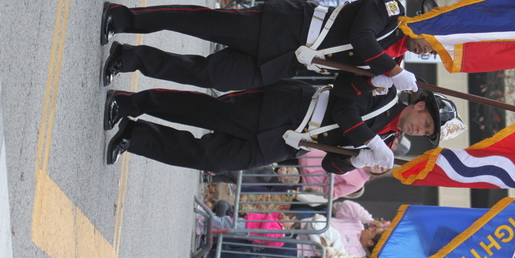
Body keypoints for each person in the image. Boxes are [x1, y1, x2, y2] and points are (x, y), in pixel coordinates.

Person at [103, 72, 463, 175]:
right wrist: (369, 142)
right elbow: (345, 109)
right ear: (419, 105)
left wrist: (355, 161)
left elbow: (330, 163)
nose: (419, 130)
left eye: (426, 133)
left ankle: (135, 136)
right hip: (287, 108)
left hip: (288, 143)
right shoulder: (386, 92)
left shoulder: (385, 140)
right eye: (425, 122)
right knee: (202, 112)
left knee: (211, 159)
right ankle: (131, 103)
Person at [99, 0, 430, 92]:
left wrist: (373, 84)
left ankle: (130, 58)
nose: (429, 50)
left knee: (210, 76)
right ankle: (124, 18)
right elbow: (361, 37)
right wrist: (390, 70)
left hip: (289, 62)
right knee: (201, 23)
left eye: (435, 52)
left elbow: (343, 84)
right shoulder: (391, 11)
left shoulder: (394, 66)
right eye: (433, 41)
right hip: (285, 28)